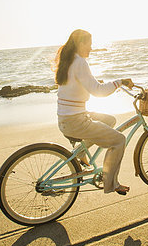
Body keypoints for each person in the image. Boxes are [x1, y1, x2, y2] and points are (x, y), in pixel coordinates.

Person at [54, 29, 134, 195]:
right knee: (119, 140)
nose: (91, 48)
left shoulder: (67, 60)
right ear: (80, 44)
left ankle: (81, 153)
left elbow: (83, 84)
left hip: (66, 118)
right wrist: (120, 82)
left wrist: (102, 83)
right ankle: (111, 183)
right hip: (75, 121)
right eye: (89, 45)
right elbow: (98, 91)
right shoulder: (80, 62)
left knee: (109, 120)